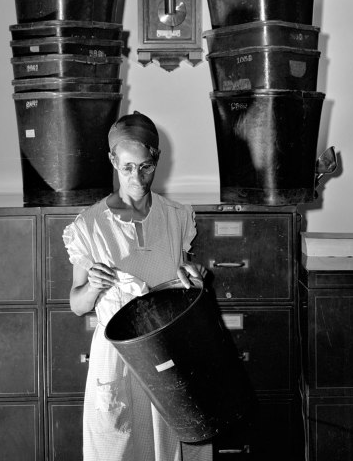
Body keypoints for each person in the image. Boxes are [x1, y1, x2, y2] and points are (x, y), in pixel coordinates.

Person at [63, 111, 211, 461]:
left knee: (175, 444)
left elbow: (185, 287)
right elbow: (77, 304)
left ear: (156, 159)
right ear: (113, 161)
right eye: (127, 167)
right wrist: (94, 287)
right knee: (120, 447)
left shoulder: (176, 217)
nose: (137, 177)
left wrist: (194, 280)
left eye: (145, 167)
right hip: (117, 359)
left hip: (170, 350)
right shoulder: (89, 225)